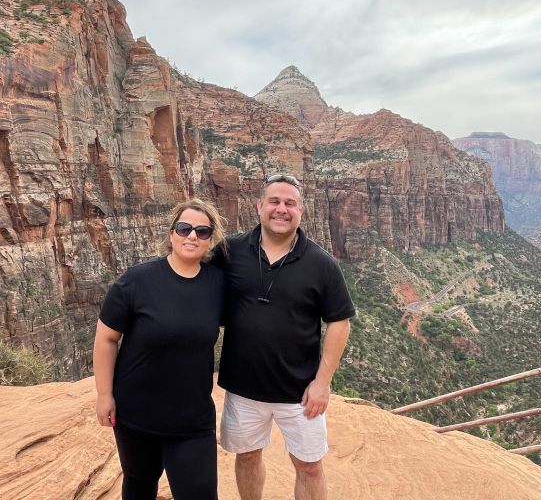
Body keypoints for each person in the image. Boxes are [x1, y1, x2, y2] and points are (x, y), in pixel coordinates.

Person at [214, 174, 355, 500]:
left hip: (300, 392)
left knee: (309, 466)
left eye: (289, 203)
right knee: (247, 456)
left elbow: (339, 323)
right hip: (243, 388)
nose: (281, 209)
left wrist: (322, 383)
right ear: (259, 206)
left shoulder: (322, 264)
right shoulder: (230, 252)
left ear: (301, 211)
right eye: (274, 202)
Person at [93, 198, 227, 500]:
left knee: (200, 493)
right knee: (139, 484)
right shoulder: (136, 280)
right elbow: (106, 339)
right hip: (136, 416)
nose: (192, 236)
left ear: (210, 240)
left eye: (202, 232)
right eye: (184, 228)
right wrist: (104, 395)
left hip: (192, 420)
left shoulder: (219, 284)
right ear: (171, 234)